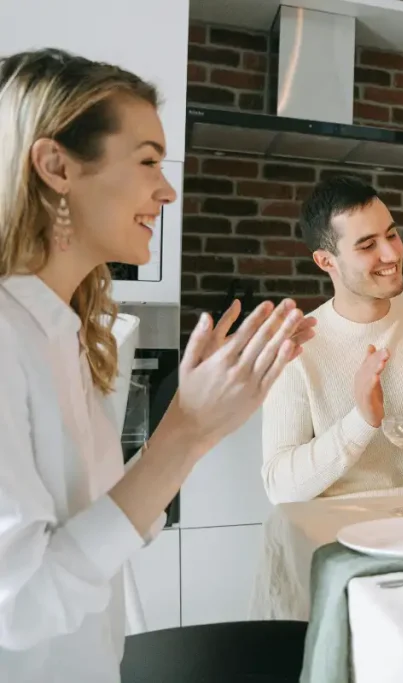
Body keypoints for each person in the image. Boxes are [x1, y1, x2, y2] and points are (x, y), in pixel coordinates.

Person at [0, 49, 315, 682]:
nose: (168, 189)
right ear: (55, 166)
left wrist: (196, 427)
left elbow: (102, 530)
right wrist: (185, 433)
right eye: (147, 160)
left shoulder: (69, 334)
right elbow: (20, 606)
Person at [261, 174, 403, 503]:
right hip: (338, 527)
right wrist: (362, 419)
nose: (391, 254)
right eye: (368, 245)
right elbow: (279, 487)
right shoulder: (298, 346)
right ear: (326, 261)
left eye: (392, 235)